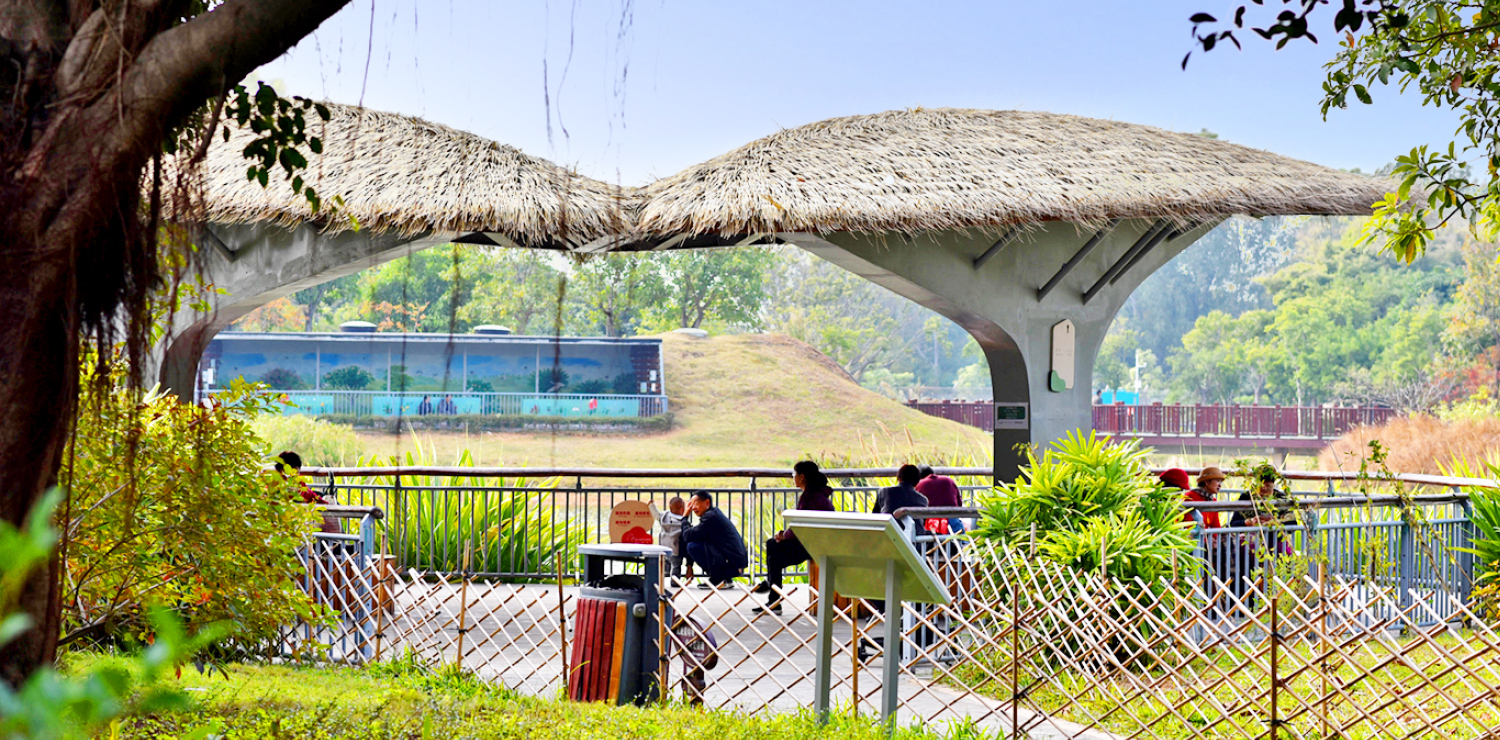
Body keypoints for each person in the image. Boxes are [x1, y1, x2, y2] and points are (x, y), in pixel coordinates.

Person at [752, 461, 836, 615]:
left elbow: (801, 527)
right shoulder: (817, 494)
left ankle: (773, 594)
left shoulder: (811, 497)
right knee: (773, 547)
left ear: (802, 477)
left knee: (773, 555)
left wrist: (783, 535)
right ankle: (772, 591)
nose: (793, 477)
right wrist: (784, 535)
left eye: (794, 475)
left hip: (811, 545)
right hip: (816, 541)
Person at [680, 491, 749, 589]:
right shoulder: (713, 514)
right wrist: (689, 566)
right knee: (694, 542)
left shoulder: (711, 517)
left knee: (693, 546)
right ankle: (725, 579)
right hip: (735, 563)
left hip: (733, 565)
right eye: (691, 504)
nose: (693, 508)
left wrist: (684, 517)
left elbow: (687, 536)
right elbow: (690, 536)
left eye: (696, 503)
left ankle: (719, 579)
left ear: (707, 503)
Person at [276, 451, 339, 534]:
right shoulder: (274, 485)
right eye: (289, 474)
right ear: (281, 471)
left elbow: (312, 496)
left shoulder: (300, 483)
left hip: (301, 527)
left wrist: (327, 506)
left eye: (296, 473)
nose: (293, 477)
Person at [649, 496, 690, 580]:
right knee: (676, 566)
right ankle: (674, 582)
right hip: (675, 549)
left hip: (663, 547)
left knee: (664, 564)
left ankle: (661, 579)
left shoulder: (664, 516)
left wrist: (651, 505)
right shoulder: (683, 521)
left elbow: (656, 514)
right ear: (682, 509)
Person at [915, 464, 965, 533]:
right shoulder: (949, 480)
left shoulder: (920, 485)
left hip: (931, 525)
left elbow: (915, 507)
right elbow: (959, 503)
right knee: (962, 542)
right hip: (953, 521)